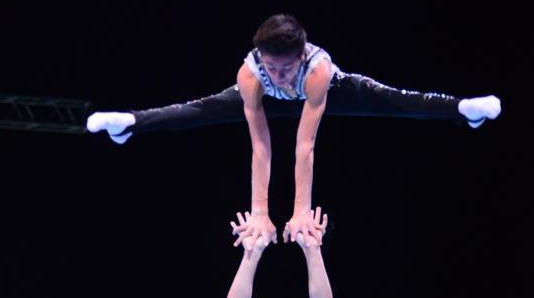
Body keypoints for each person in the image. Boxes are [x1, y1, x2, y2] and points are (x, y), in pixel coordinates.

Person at [87, 13, 501, 248]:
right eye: (272, 67)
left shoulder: (316, 71)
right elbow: (261, 147)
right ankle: (131, 125)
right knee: (200, 109)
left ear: (301, 55)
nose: (280, 75)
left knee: (391, 99)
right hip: (263, 104)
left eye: (285, 69)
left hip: (329, 93)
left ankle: (463, 111)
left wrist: (301, 209)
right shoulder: (251, 76)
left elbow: (304, 145)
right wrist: (262, 211)